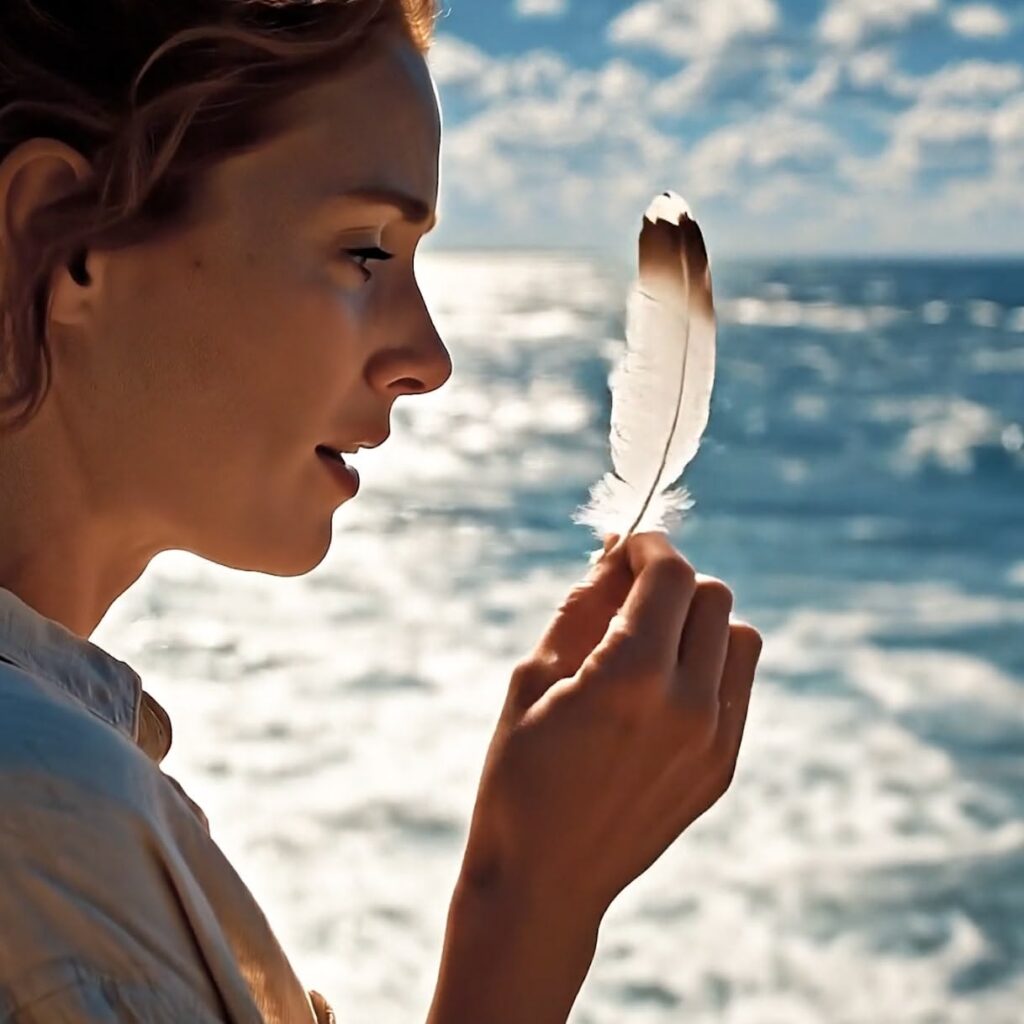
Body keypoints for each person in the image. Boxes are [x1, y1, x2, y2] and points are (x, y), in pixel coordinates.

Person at [0, 1, 764, 1020]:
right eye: (365, 251)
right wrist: (529, 898)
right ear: (62, 235)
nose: (429, 358)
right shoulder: (46, 819)